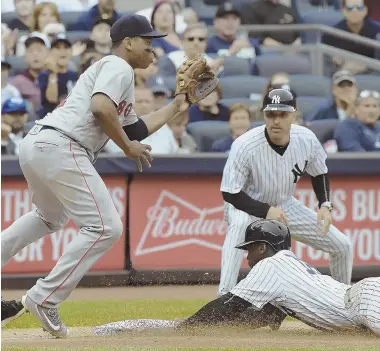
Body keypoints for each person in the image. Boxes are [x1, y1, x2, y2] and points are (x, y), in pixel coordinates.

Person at [0, 14, 202, 338]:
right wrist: (127, 148)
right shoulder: (118, 66)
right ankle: (45, 297)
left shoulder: (117, 74)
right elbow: (101, 110)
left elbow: (134, 127)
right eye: (148, 43)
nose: (153, 51)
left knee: (48, 219)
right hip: (64, 145)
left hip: (38, 143)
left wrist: (180, 103)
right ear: (129, 43)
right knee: (106, 226)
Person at [218, 88, 353, 298]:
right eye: (271, 114)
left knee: (342, 245)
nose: (276, 120)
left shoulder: (306, 139)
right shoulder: (245, 144)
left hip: (284, 204)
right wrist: (265, 210)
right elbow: (230, 193)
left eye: (283, 114)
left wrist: (325, 205)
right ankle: (224, 295)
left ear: (294, 114)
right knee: (240, 224)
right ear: (264, 115)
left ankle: (343, 302)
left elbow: (320, 173)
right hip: (246, 203)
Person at [179, 220, 379, 335]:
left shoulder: (270, 266)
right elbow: (265, 317)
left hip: (363, 301)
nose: (247, 257)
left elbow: (229, 305)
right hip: (362, 299)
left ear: (262, 247)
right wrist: (219, 329)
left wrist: (188, 327)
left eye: (249, 249)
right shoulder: (286, 268)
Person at [322, 0, 380, 74]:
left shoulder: (377, 31)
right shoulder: (331, 34)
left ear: (366, 10)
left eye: (359, 8)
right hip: (341, 70)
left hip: (372, 72)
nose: (354, 11)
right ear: (343, 11)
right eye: (349, 8)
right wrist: (334, 58)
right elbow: (325, 59)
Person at [158, 23, 224, 77]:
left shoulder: (213, 65)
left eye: (201, 39)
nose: (196, 43)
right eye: (191, 39)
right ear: (183, 42)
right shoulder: (170, 59)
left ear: (206, 43)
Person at [38, 34, 77, 118]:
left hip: (70, 118)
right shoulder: (45, 74)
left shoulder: (74, 74)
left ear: (71, 51)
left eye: (66, 47)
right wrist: (53, 73)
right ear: (50, 51)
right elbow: (52, 99)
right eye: (58, 48)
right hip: (50, 119)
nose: (62, 51)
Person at [10, 33, 50, 115]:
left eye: (39, 50)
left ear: (48, 53)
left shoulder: (55, 76)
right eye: (30, 51)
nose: (35, 54)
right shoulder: (17, 82)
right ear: (25, 57)